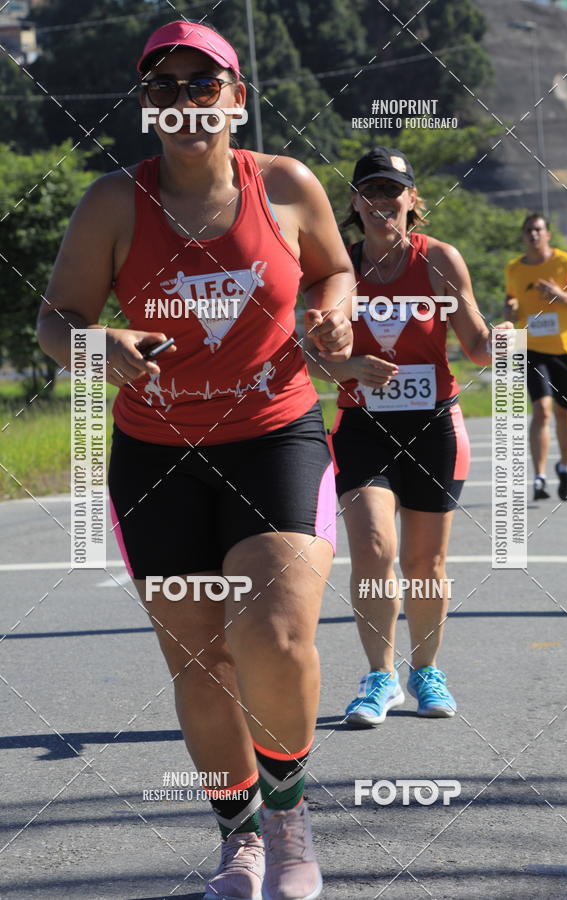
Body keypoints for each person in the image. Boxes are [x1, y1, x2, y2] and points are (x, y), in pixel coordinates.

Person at [37, 21, 354, 900]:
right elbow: (56, 321)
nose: (184, 102)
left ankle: (288, 820)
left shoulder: (285, 184)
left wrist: (334, 311)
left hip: (274, 437)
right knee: (203, 665)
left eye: (202, 85)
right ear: (146, 105)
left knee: (275, 636)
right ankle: (239, 839)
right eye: (163, 88)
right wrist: (98, 344)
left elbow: (334, 270)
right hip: (158, 458)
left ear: (236, 99)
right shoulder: (113, 202)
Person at [306, 146, 512, 725]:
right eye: (370, 191)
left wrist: (500, 339)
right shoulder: (338, 269)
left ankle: (426, 671)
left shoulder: (440, 260)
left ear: (412, 199)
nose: (381, 201)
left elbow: (475, 346)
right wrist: (349, 367)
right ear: (354, 202)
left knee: (426, 562)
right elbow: (309, 357)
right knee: (374, 549)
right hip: (363, 427)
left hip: (434, 428)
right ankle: (380, 677)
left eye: (392, 191)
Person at [504, 213, 567, 502]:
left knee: (563, 412)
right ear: (523, 236)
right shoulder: (514, 268)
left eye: (538, 230)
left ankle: (565, 467)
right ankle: (540, 477)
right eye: (529, 230)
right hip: (530, 346)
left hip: (565, 348)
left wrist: (562, 296)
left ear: (547, 235)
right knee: (541, 409)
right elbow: (511, 297)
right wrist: (510, 307)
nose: (533, 234)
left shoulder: (565, 262)